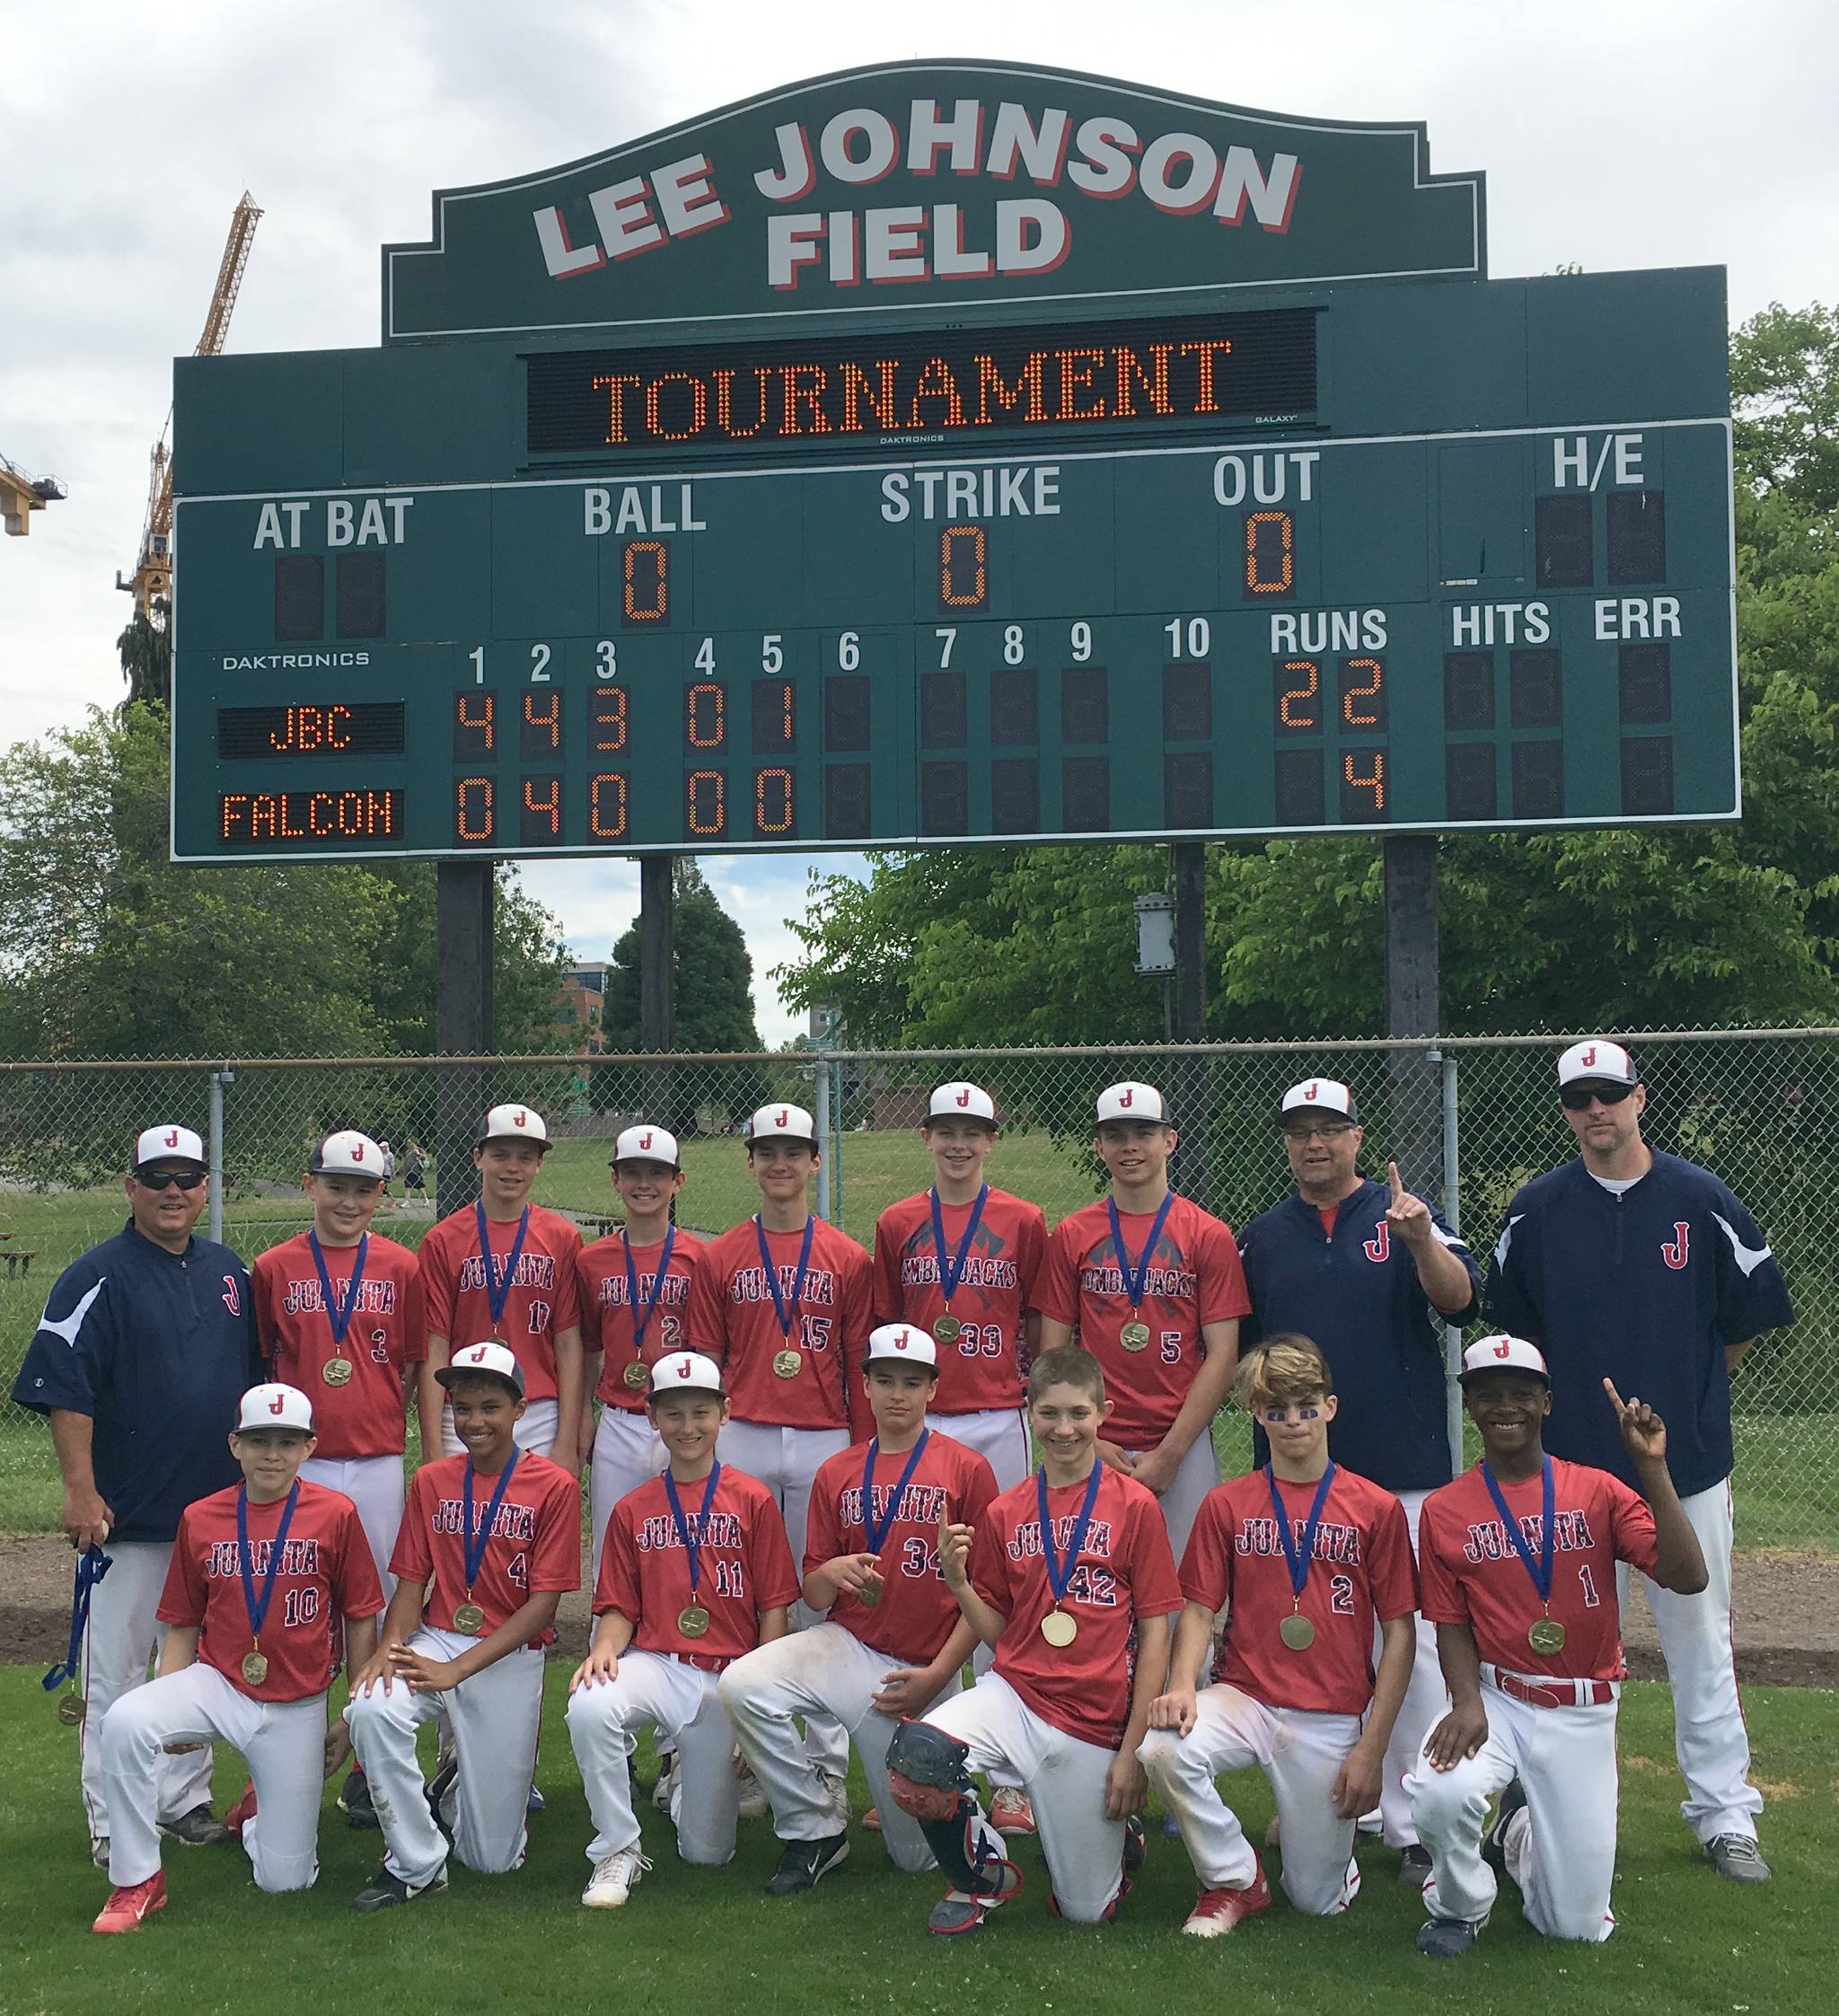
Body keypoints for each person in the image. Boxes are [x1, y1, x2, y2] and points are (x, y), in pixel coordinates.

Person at [1484, 1037, 1794, 1884]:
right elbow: (1512, 1333)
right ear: (1565, 1112)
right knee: (1570, 1649)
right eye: (1581, 1099)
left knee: (1700, 1640)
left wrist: (1685, 1404)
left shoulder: (1700, 1199)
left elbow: (1741, 1326)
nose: (1597, 1111)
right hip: (1573, 1478)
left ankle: (1726, 1815)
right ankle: (1555, 1810)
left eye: (1610, 1095)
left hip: (1685, 1470)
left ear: (1639, 1098)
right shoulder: (1537, 1210)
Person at [1235, 1077, 1479, 1882]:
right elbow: (1239, 1350)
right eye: (1300, 1130)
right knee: (1319, 1639)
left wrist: (1418, 1241)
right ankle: (1334, 1797)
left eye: (1329, 1128)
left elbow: (1461, 1301)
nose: (1315, 1142)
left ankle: (1410, 1819)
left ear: (1357, 1137)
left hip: (1402, 1466)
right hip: (1297, 1477)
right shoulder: (1265, 1236)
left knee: (1405, 1644)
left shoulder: (1403, 1213)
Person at [1407, 1335, 1709, 1954]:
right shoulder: (1444, 1509)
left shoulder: (1596, 1489)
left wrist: (1651, 1466)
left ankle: (1514, 1832)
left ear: (1547, 1402)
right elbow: (1450, 1620)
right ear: (1469, 1405)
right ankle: (1459, 1904)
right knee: (1440, 1789)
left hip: (1581, 1705)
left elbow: (1688, 1575)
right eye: (1488, 1395)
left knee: (1572, 1925)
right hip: (1499, 1696)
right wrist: (1466, 1701)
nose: (1505, 1407)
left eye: (1521, 1393)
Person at [11, 1122, 260, 1865]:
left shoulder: (226, 1270)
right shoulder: (95, 1274)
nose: (174, 1191)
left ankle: (184, 1798)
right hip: (125, 1517)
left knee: (196, 1671)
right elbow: (66, 1391)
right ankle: (110, 1815)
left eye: (187, 1177)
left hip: (213, 1517)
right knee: (116, 1676)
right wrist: (79, 1490)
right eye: (158, 1178)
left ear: (207, 1186)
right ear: (132, 1188)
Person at [884, 1344, 1182, 1935]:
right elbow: (1000, 1630)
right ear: (1029, 1412)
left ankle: (1118, 1840)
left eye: (1077, 1413)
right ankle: (982, 1874)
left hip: (1094, 1721)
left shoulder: (1137, 1507)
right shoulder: (1007, 1510)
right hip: (1016, 1697)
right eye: (1049, 1412)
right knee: (916, 1756)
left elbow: (1155, 1632)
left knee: (1085, 1912)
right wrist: (960, 1584)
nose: (1063, 1428)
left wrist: (1131, 1752)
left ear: (1104, 1412)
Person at [1139, 1337, 1419, 1933]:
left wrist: (1372, 1747)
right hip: (1249, 1696)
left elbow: (1399, 1634)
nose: (1293, 1420)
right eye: (1276, 1409)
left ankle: (1320, 1853)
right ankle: (1236, 1877)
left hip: (1330, 1714)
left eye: (1305, 1405)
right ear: (1257, 1415)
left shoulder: (1376, 1508)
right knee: (1163, 1745)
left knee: (1316, 1899)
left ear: (1331, 1406)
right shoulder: (1227, 1503)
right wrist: (1184, 1684)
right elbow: (1197, 1609)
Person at [90, 1383, 384, 1932]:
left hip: (298, 1702)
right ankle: (137, 1880)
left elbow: (361, 1615)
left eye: (287, 1442)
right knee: (127, 1720)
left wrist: (349, 1715)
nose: (272, 1454)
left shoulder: (336, 1514)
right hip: (219, 1684)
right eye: (258, 1441)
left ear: (309, 1447)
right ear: (234, 1446)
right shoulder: (201, 1517)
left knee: (286, 1880)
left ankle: (257, 1817)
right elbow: (182, 1623)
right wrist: (167, 1695)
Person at [719, 1323, 999, 1892]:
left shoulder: (966, 1468)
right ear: (865, 1387)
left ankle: (957, 1801)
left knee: (917, 1860)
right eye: (886, 1380)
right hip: (849, 1646)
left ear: (932, 1391)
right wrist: (827, 1573)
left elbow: (987, 1596)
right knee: (741, 1684)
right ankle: (814, 1827)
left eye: (912, 1382)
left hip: (923, 1667)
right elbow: (816, 1595)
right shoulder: (838, 1470)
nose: (898, 1394)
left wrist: (939, 1676)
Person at [344, 1341, 580, 1910]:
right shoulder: (431, 1479)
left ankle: (451, 1783)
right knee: (372, 1708)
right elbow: (409, 1583)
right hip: (439, 1634)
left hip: (506, 1653)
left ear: (519, 1409)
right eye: (462, 1408)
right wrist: (391, 1646)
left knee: (493, 1858)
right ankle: (415, 1862)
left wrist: (456, 1670)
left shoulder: (554, 1486)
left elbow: (543, 1608)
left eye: (489, 1407)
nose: (473, 1421)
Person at [684, 1102, 873, 1807]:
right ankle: (745, 1752)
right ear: (751, 1162)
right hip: (748, 1428)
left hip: (825, 1433)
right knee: (741, 1593)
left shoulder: (848, 1257)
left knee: (821, 1597)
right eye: (768, 1151)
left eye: (795, 1150)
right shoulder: (722, 1254)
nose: (781, 1163)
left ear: (816, 1161)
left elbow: (860, 1363)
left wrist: (862, 1453)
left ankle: (822, 1762)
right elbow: (706, 1361)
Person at [565, 1351, 800, 1908]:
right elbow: (620, 1606)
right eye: (673, 1414)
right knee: (590, 1703)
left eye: (701, 1412)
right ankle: (617, 1848)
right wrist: (602, 1647)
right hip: (658, 1664)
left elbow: (773, 1609)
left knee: (708, 1853)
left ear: (725, 1414)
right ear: (653, 1418)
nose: (687, 1427)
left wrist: (758, 1698)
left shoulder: (753, 1499)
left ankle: (683, 1798)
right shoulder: (633, 1507)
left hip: (727, 1678)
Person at [251, 1129, 426, 1829]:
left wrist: (386, 1415)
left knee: (376, 1604)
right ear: (309, 1184)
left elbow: (412, 1364)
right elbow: (265, 1362)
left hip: (378, 1454)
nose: (348, 1200)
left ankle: (365, 1756)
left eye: (363, 1188)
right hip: (304, 1460)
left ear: (382, 1193)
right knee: (299, 1604)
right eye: (336, 1185)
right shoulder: (273, 1266)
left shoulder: (401, 1265)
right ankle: (290, 1750)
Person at [1034, 1082, 1249, 1561]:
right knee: (1087, 1585)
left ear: (1170, 1140)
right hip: (1090, 1437)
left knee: (1186, 1591)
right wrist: (1096, 1436)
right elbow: (1053, 1354)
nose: (1129, 1146)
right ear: (1099, 1146)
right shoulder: (1073, 1234)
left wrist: (1172, 1452)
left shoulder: (1207, 1234)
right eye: (1115, 1135)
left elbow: (1223, 1354)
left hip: (1181, 1440)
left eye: (1143, 1132)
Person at [870, 1082, 1044, 1492]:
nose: (958, 1145)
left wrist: (1035, 1390)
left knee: (1000, 1537)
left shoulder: (1024, 1220)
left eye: (972, 1133)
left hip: (998, 1409)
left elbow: (1037, 1313)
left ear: (991, 1140)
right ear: (926, 1138)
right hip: (919, 1411)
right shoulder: (897, 1221)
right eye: (946, 1132)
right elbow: (889, 1318)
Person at [416, 1104, 585, 1471]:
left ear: (539, 1164)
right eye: (500, 1155)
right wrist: (431, 1447)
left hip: (537, 1407)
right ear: (478, 1158)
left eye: (526, 1157)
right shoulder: (443, 1240)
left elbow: (568, 1340)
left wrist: (567, 1440)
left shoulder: (562, 1238)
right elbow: (435, 1345)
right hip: (462, 1406)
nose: (513, 1167)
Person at [576, 1125, 705, 1584]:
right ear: (615, 1180)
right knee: (612, 1544)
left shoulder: (699, 1258)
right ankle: (604, 1646)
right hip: (619, 1419)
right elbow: (589, 1348)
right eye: (631, 1172)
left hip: (681, 1418)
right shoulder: (592, 1261)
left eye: (657, 1173)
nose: (644, 1184)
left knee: (684, 1538)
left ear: (678, 1182)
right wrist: (584, 1417)